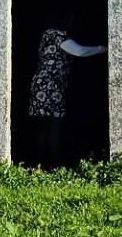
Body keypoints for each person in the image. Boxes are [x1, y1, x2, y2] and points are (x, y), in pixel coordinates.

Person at [28, 27, 105, 168]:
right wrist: (102, 49)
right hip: (50, 88)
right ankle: (55, 165)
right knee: (53, 125)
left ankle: (39, 163)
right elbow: (80, 51)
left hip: (41, 86)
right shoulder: (57, 35)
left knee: (44, 126)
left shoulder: (45, 35)